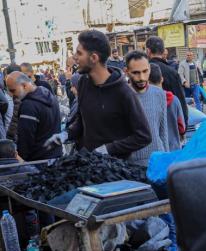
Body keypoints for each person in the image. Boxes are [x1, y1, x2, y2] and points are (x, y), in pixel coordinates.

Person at [45, 30, 151, 159]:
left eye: (79, 53)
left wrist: (108, 149)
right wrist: (66, 135)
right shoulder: (83, 82)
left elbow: (143, 136)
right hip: (88, 164)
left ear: (94, 58)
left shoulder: (123, 92)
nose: (75, 58)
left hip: (114, 169)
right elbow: (81, 120)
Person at [6, 72, 62, 161]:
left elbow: (25, 139)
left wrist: (22, 160)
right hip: (55, 155)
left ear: (24, 86)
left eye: (13, 90)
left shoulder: (28, 105)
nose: (12, 95)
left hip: (38, 161)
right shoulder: (48, 94)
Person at [124, 51, 167, 166]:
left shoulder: (159, 94)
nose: (141, 77)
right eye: (136, 73)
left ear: (149, 69)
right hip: (131, 166)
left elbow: (163, 132)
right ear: (126, 72)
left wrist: (166, 160)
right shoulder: (121, 97)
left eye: (145, 71)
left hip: (158, 162)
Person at [146, 36, 188, 128]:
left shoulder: (142, 71)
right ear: (163, 51)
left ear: (148, 51)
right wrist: (183, 127)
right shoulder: (172, 72)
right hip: (171, 126)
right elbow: (181, 102)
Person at [149, 63, 184, 151]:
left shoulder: (147, 102)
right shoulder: (174, 100)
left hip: (156, 150)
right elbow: (181, 127)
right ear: (162, 79)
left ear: (147, 82)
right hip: (174, 149)